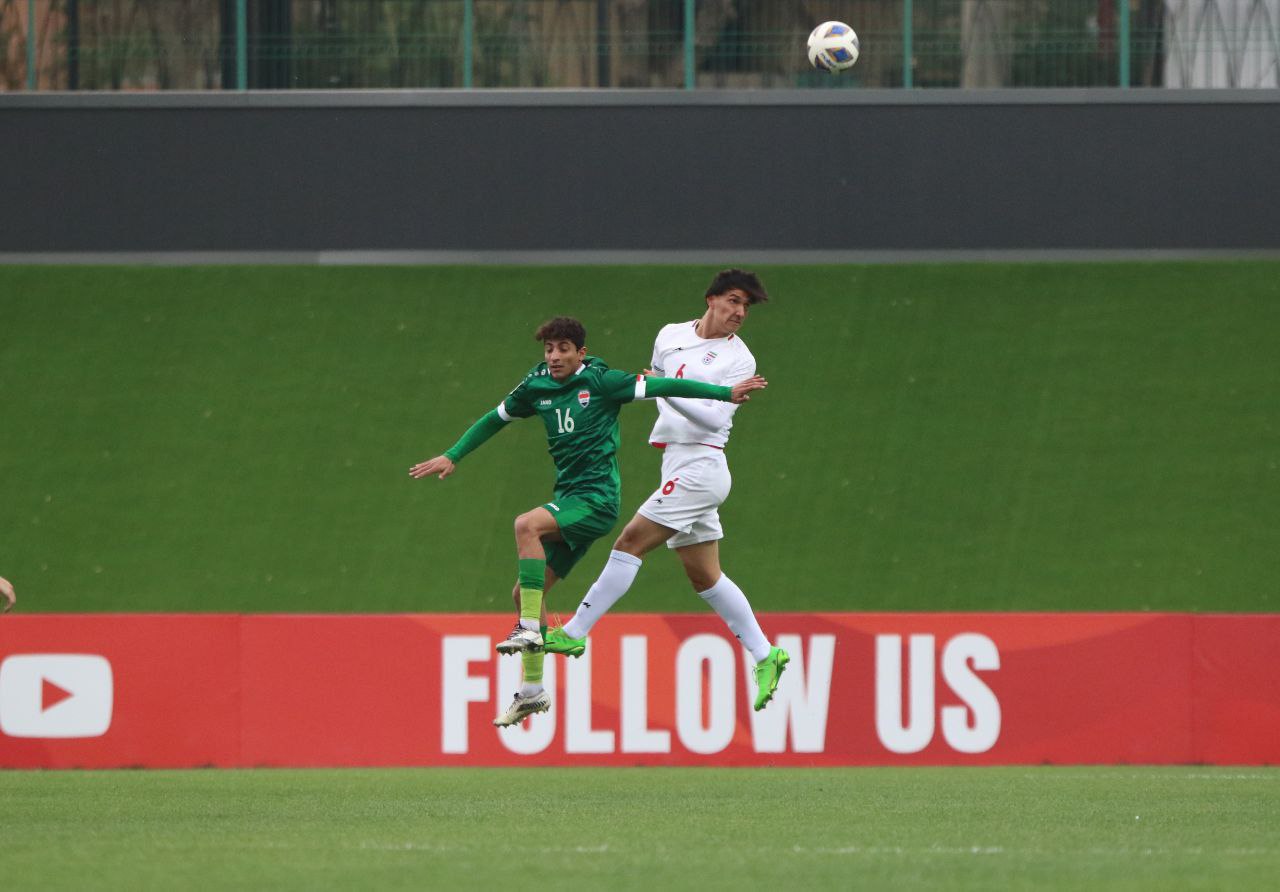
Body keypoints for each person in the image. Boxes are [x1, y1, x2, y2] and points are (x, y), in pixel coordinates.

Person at [410, 316, 767, 727]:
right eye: (549, 350)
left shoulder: (601, 382)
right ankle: (531, 691)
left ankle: (531, 629)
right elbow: (495, 418)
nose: (554, 357)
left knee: (526, 525)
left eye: (564, 349)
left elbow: (664, 386)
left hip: (596, 501)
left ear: (580, 353)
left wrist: (723, 393)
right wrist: (452, 455)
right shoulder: (536, 385)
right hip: (569, 502)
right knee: (525, 592)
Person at [544, 269, 788, 711]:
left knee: (629, 541)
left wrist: (668, 391)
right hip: (676, 461)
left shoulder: (740, 360)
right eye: (733, 301)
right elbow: (653, 381)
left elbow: (714, 418)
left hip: (702, 465)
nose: (738, 313)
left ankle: (575, 633)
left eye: (745, 307)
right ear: (711, 299)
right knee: (704, 575)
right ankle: (766, 654)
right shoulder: (670, 335)